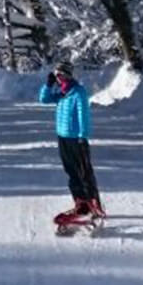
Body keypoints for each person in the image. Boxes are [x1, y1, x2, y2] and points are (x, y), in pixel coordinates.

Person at [38, 61, 104, 223]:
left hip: (77, 139)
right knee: (71, 172)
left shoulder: (78, 92)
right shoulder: (62, 93)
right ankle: (80, 202)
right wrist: (48, 84)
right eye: (56, 76)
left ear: (67, 75)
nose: (58, 79)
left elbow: (84, 114)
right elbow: (43, 100)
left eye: (60, 75)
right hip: (63, 137)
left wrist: (83, 136)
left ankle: (94, 204)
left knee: (84, 172)